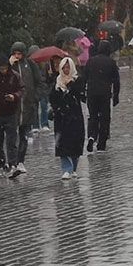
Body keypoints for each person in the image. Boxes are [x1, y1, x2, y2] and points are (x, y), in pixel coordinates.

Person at [8, 42, 44, 177]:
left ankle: (20, 161)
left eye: (19, 53)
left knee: (24, 135)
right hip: (13, 106)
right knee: (11, 135)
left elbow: (39, 82)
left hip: (28, 105)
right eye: (15, 53)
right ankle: (11, 162)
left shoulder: (30, 65)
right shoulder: (9, 66)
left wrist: (36, 98)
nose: (17, 56)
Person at [51, 43, 86, 179]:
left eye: (68, 67)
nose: (66, 70)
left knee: (75, 143)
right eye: (64, 68)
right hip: (61, 117)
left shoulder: (78, 80)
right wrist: (57, 107)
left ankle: (74, 168)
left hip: (75, 116)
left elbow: (81, 95)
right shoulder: (57, 82)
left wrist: (71, 86)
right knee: (62, 143)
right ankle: (66, 169)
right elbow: (52, 98)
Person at [81, 41, 120, 152]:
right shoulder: (111, 62)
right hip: (105, 93)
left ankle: (92, 136)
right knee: (104, 118)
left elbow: (84, 78)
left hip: (92, 93)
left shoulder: (91, 61)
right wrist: (116, 95)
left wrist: (82, 92)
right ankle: (101, 143)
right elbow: (116, 81)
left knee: (93, 116)